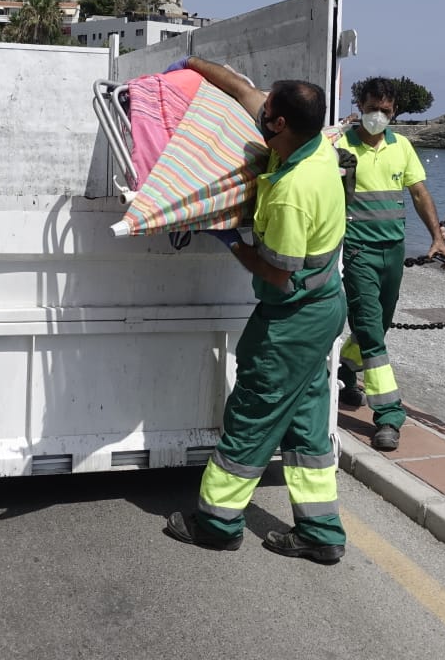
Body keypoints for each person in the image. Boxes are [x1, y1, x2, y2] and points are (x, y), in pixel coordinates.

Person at [161, 56, 350, 564]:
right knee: (307, 421)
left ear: (279, 123)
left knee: (253, 414)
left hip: (292, 319)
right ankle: (321, 532)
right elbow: (243, 90)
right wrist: (192, 64)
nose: (259, 107)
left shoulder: (292, 192)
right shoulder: (316, 148)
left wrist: (230, 241)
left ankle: (217, 524)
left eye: (268, 109)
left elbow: (277, 272)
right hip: (323, 309)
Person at [334, 77, 445, 451]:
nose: (378, 116)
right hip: (356, 250)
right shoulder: (340, 146)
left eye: (385, 110)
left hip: (393, 250)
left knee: (378, 326)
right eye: (372, 109)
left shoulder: (402, 146)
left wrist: (437, 236)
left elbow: (418, 192)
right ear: (360, 106)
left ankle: (344, 369)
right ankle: (388, 415)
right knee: (369, 328)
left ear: (394, 111)